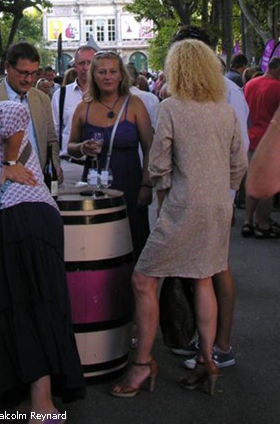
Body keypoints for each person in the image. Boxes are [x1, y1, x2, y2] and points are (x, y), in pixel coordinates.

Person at [110, 39, 247, 398]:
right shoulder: (224, 108)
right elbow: (239, 163)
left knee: (143, 280)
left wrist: (164, 190)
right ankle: (208, 359)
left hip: (183, 205)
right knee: (203, 278)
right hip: (219, 204)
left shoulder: (171, 107)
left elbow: (157, 164)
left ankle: (141, 364)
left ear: (177, 70)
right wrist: (223, 191)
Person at [0, 81, 85, 421]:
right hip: (29, 219)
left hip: (22, 219)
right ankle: (39, 398)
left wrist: (10, 161)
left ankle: (42, 405)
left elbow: (15, 110)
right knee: (31, 303)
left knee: (25, 306)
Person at [67, 52, 153, 256]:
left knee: (133, 241)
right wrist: (82, 148)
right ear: (93, 76)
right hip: (94, 187)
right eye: (102, 72)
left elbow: (150, 147)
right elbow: (70, 146)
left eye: (113, 71)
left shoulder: (135, 105)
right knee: (98, 244)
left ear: (121, 75)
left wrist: (146, 185)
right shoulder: (83, 108)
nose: (108, 76)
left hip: (129, 185)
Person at [0, 42, 61, 179]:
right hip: (4, 183)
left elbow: (51, 140)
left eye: (34, 73)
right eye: (23, 73)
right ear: (8, 67)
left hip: (40, 181)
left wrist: (54, 165)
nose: (29, 79)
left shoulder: (42, 99)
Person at [242, 56, 280, 238]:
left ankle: (247, 221)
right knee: (267, 186)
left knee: (252, 181)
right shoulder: (277, 88)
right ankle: (263, 223)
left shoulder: (250, 84)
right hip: (270, 141)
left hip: (250, 138)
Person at [52, 46, 95, 159]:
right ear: (75, 65)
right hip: (69, 164)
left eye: (89, 63)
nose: (85, 67)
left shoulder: (105, 94)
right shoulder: (61, 95)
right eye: (81, 63)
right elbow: (53, 134)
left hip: (99, 165)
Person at [247, 105, 280, 197]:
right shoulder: (276, 90)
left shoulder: (249, 89)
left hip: (254, 137)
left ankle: (249, 212)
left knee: (256, 181)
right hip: (268, 138)